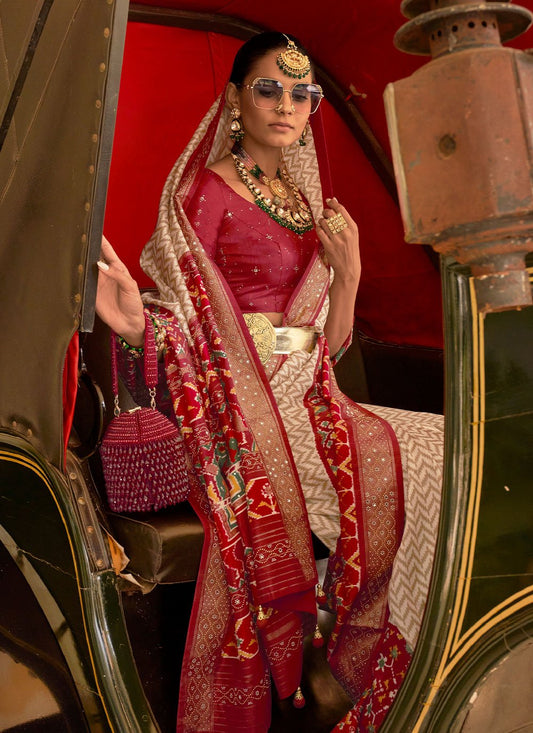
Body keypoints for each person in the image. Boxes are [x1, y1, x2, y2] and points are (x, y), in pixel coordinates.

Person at [96, 31, 443, 733]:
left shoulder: (308, 204)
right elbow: (191, 323)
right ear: (233, 100)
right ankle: (372, 677)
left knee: (445, 445)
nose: (287, 105)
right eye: (268, 89)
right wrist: (138, 325)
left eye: (301, 93)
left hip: (310, 392)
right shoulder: (204, 192)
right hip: (238, 410)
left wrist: (348, 276)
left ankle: (424, 672)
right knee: (411, 463)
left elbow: (327, 345)